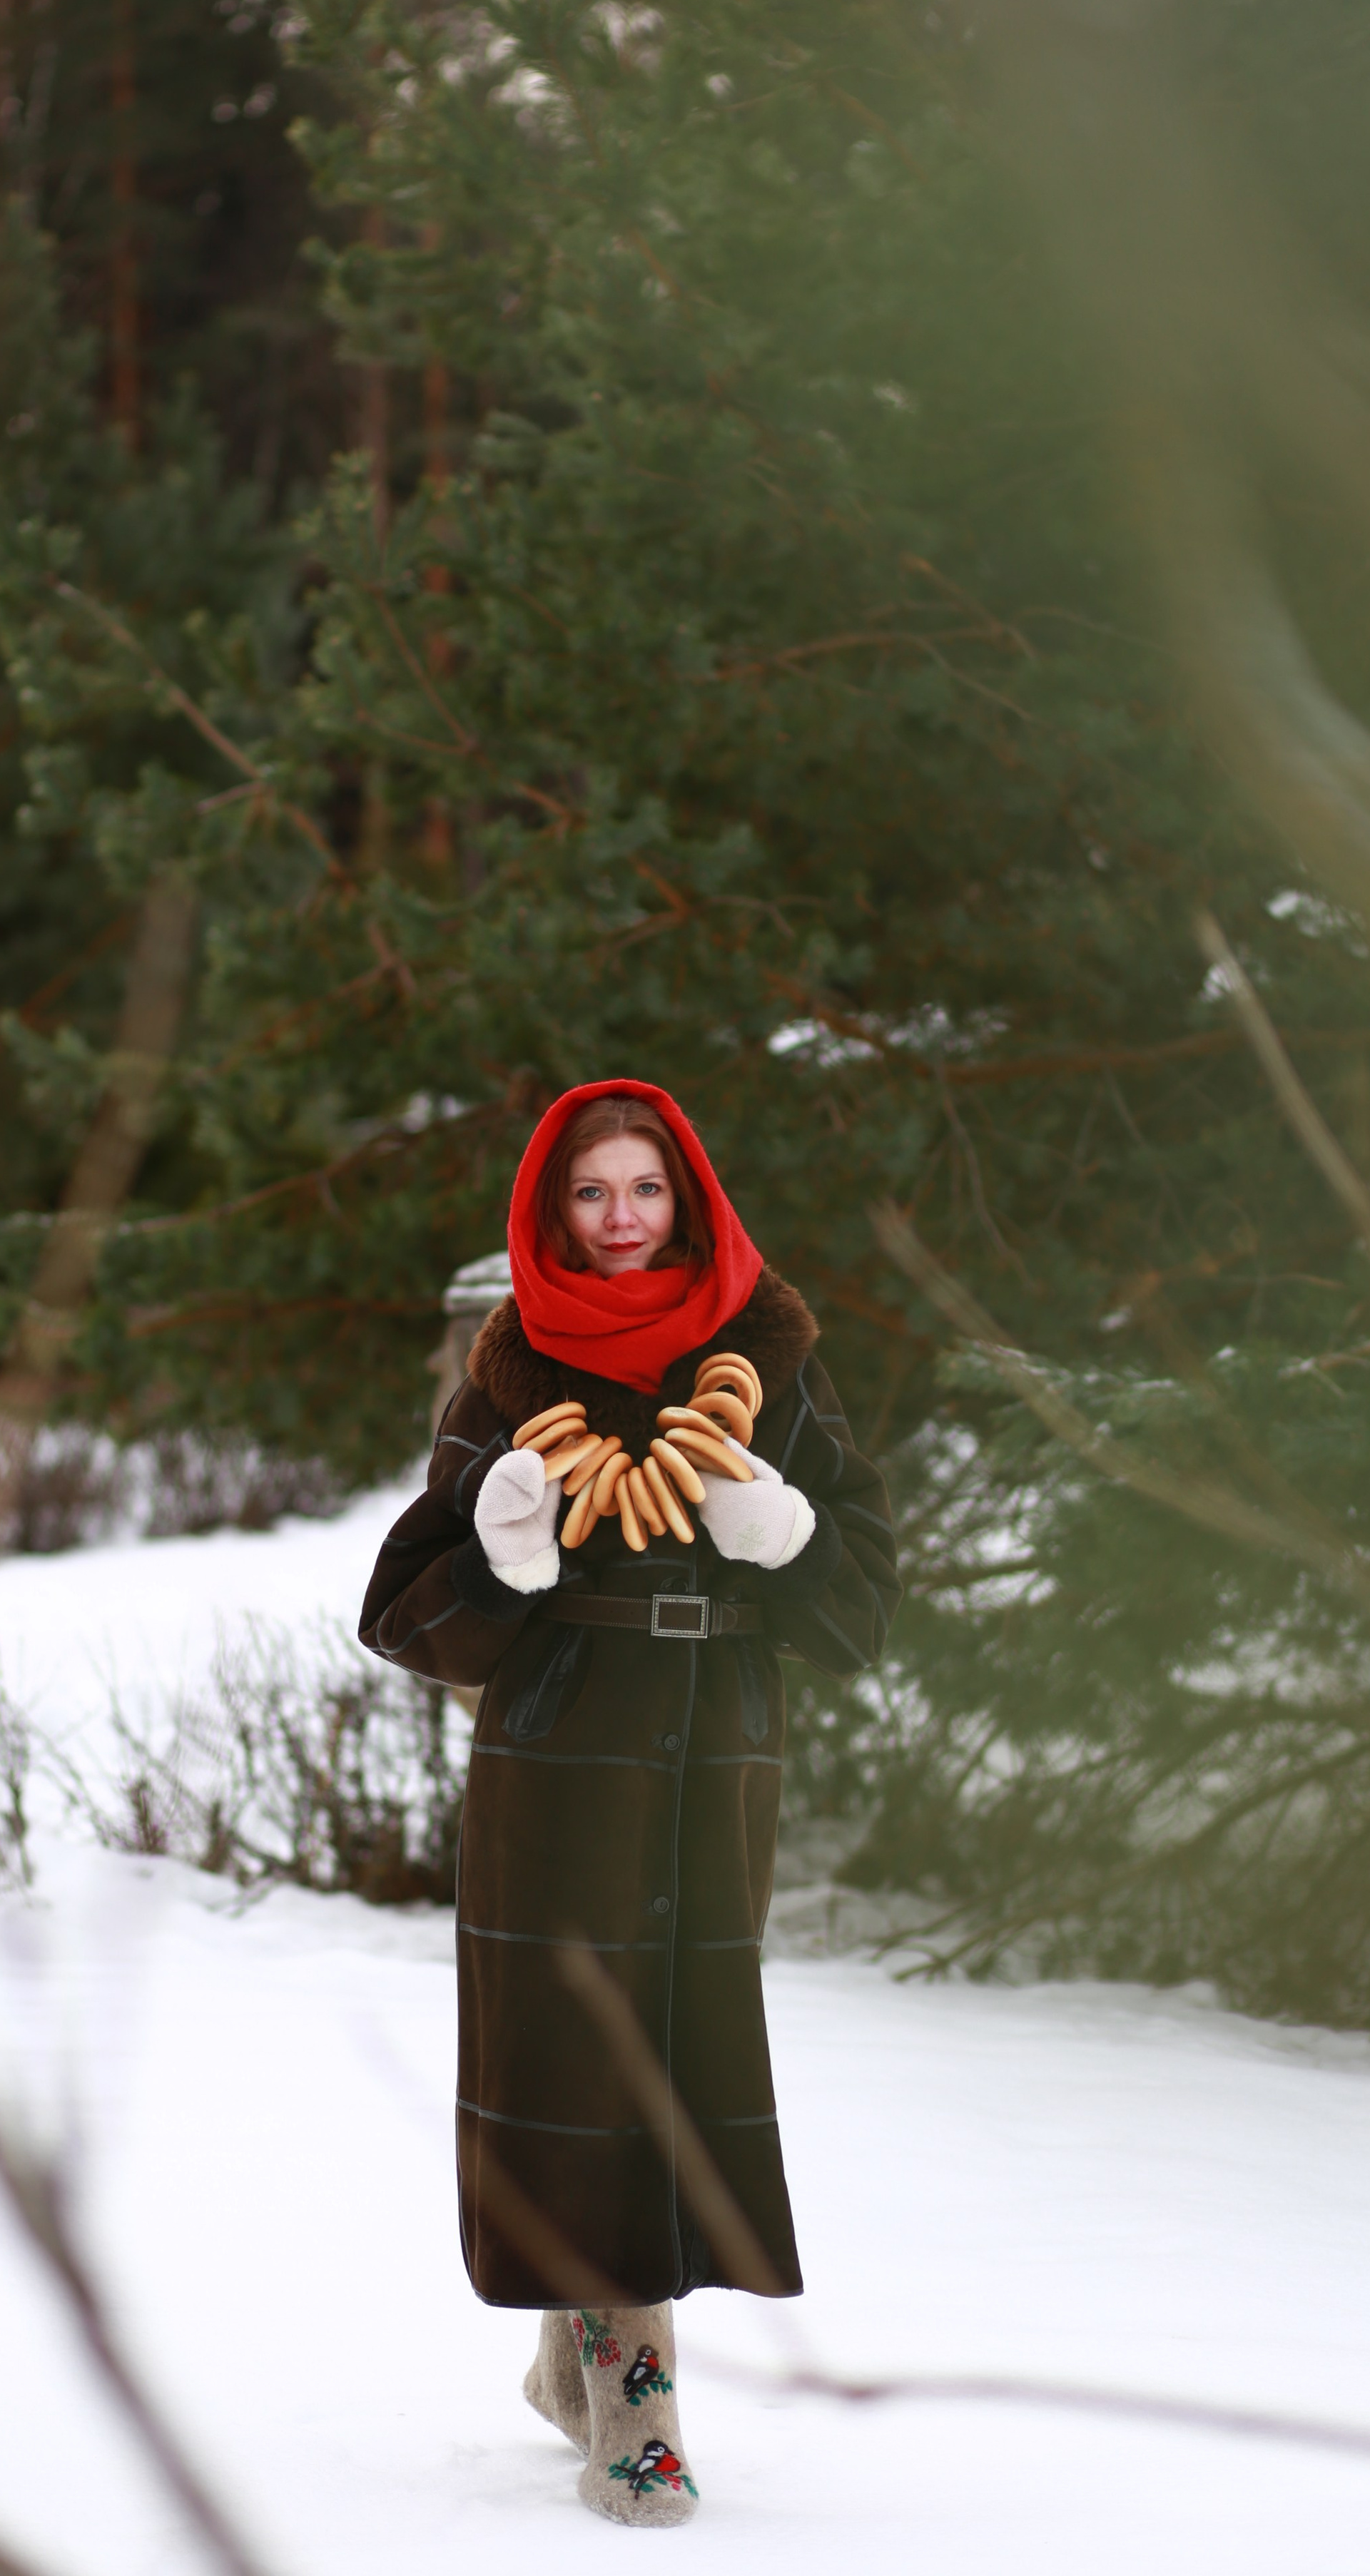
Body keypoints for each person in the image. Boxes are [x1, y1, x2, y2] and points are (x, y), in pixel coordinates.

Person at [359, 1079, 900, 2525]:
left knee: (669, 2047)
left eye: (642, 1192)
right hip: (560, 1746)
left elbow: (868, 1595)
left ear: (686, 1199)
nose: (618, 1219)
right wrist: (500, 1560)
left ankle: (571, 2360)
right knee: (586, 2059)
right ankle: (636, 2404)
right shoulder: (509, 1374)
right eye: (590, 1194)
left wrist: (784, 1536)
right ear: (554, 1212)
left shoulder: (766, 1363)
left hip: (714, 1746)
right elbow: (405, 1617)